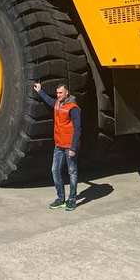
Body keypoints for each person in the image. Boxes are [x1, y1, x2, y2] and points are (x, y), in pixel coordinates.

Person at [31, 81, 81, 211]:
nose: (58, 95)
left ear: (67, 93)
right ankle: (60, 198)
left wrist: (73, 148)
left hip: (69, 146)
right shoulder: (58, 104)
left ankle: (72, 199)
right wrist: (40, 91)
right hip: (58, 145)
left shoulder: (73, 108)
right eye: (57, 93)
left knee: (72, 172)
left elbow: (78, 129)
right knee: (55, 170)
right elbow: (49, 100)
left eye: (60, 93)